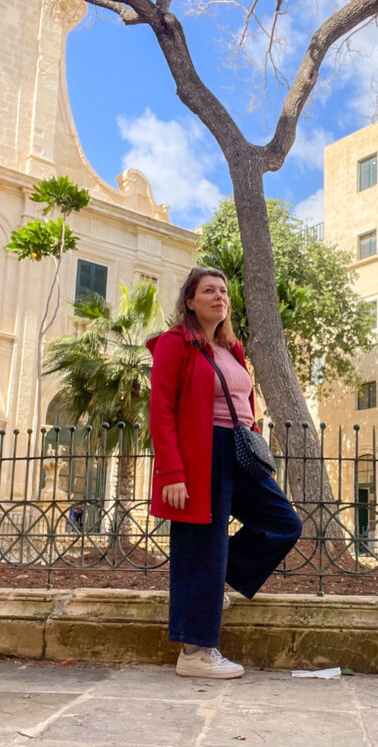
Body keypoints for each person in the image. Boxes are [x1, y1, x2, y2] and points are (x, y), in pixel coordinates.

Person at [146, 267, 302, 679]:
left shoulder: (232, 349)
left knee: (284, 524)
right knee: (201, 544)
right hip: (198, 453)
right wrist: (172, 473)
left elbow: (242, 402)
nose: (219, 296)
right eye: (209, 290)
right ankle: (195, 653)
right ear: (190, 301)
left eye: (224, 291)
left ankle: (211, 587)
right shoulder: (174, 344)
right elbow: (160, 413)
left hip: (237, 450)